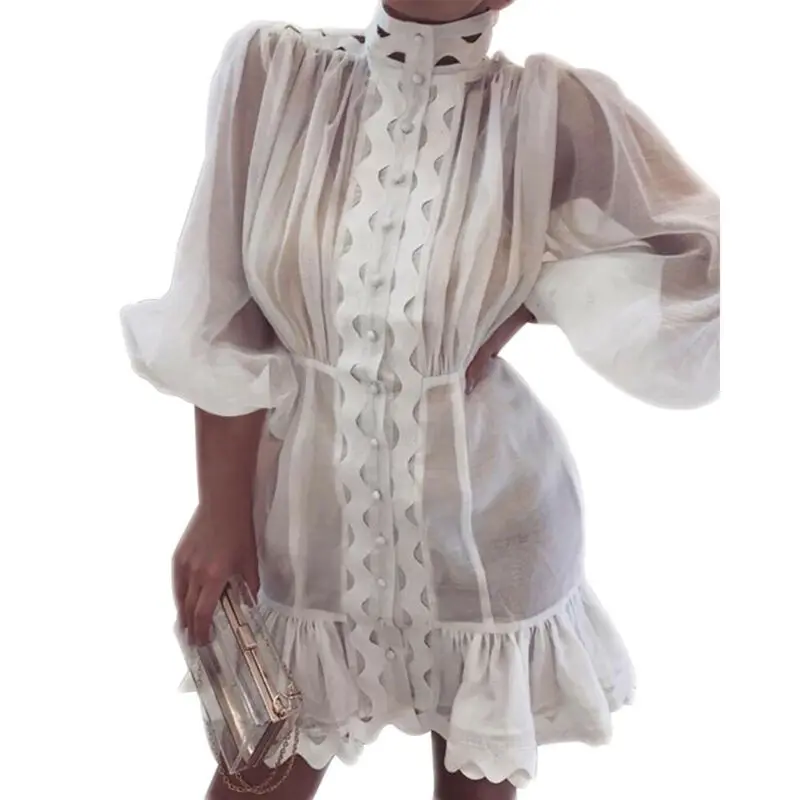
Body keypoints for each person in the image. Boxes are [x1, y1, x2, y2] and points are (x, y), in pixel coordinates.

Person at [120, 0, 720, 797]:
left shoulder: (547, 112)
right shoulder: (277, 73)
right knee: (256, 779)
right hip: (301, 535)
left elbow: (709, 260)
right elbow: (222, 310)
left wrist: (533, 294)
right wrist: (220, 509)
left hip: (488, 536)